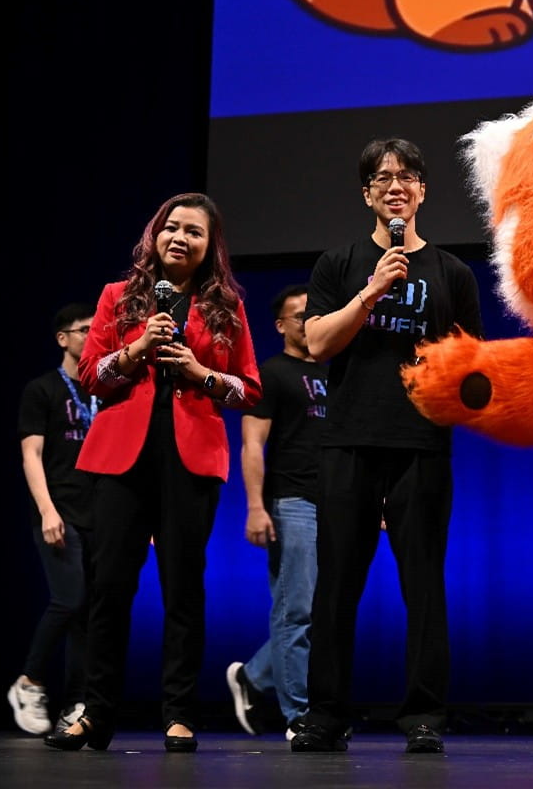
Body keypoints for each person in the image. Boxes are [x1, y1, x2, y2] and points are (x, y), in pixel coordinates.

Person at [44, 192, 261, 753]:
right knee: (109, 588)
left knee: (183, 589)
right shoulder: (118, 297)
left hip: (192, 459)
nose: (180, 238)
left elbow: (248, 389)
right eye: (172, 227)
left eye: (194, 231)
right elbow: (90, 376)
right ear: (155, 234)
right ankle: (96, 714)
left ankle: (179, 714)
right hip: (120, 458)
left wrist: (201, 372)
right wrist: (138, 346)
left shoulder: (226, 308)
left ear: (210, 246)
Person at [291, 137, 483, 754]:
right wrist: (370, 292)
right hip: (349, 440)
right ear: (367, 194)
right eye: (382, 178)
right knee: (336, 585)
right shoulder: (339, 263)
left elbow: (469, 364)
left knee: (423, 586)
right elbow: (318, 343)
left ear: (422, 190)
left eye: (406, 177)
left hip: (420, 444)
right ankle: (326, 714)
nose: (395, 186)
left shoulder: (453, 273)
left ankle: (423, 716)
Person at [226, 284, 328, 740]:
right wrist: (255, 506)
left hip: (333, 506)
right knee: (296, 612)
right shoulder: (270, 374)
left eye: (314, 313)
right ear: (281, 325)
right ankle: (298, 715)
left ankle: (253, 677)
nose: (308, 321)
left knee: (318, 614)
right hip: (292, 503)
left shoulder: (332, 373)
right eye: (299, 315)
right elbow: (252, 444)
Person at [9, 302, 98, 736]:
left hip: (100, 513)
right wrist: (47, 509)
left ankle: (76, 701)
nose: (93, 336)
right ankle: (29, 682)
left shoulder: (106, 390)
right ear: (63, 338)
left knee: (89, 613)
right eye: (85, 330)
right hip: (58, 509)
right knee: (70, 599)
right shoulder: (42, 389)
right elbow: (32, 454)